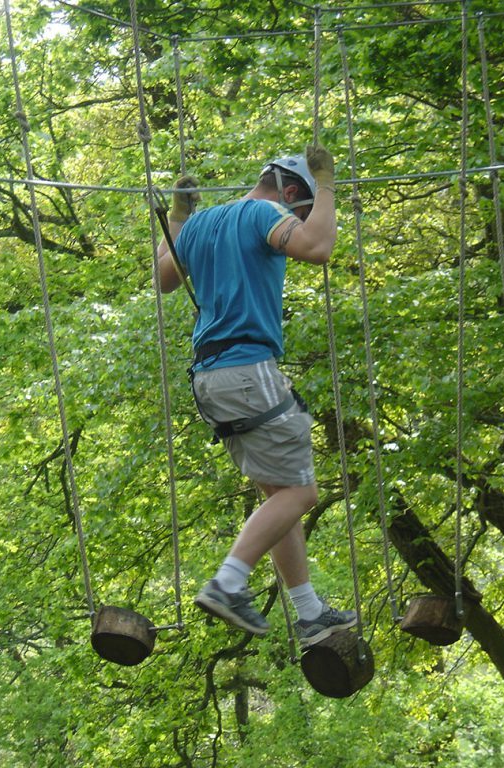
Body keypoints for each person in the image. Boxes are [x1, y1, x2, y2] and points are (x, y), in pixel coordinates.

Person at [155, 145, 357, 649]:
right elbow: (318, 248)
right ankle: (228, 582)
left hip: (211, 377)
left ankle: (308, 613)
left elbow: (163, 278)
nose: (304, 216)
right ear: (290, 192)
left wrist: (179, 217)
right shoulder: (264, 211)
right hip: (248, 369)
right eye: (303, 206)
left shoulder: (201, 224)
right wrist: (327, 183)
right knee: (300, 493)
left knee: (278, 492)